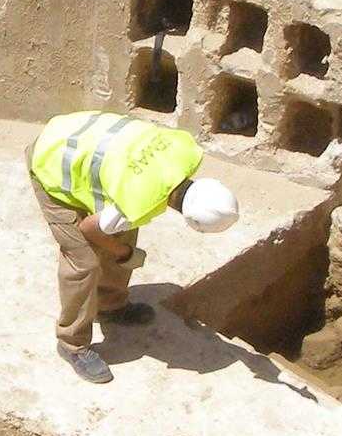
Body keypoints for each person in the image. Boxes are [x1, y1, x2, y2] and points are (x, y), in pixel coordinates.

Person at [27, 112, 240, 384]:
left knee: (122, 230)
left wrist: (119, 246)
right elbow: (88, 229)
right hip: (50, 160)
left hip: (75, 133)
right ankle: (72, 345)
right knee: (84, 260)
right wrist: (121, 253)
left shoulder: (185, 150)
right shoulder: (138, 199)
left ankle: (109, 305)